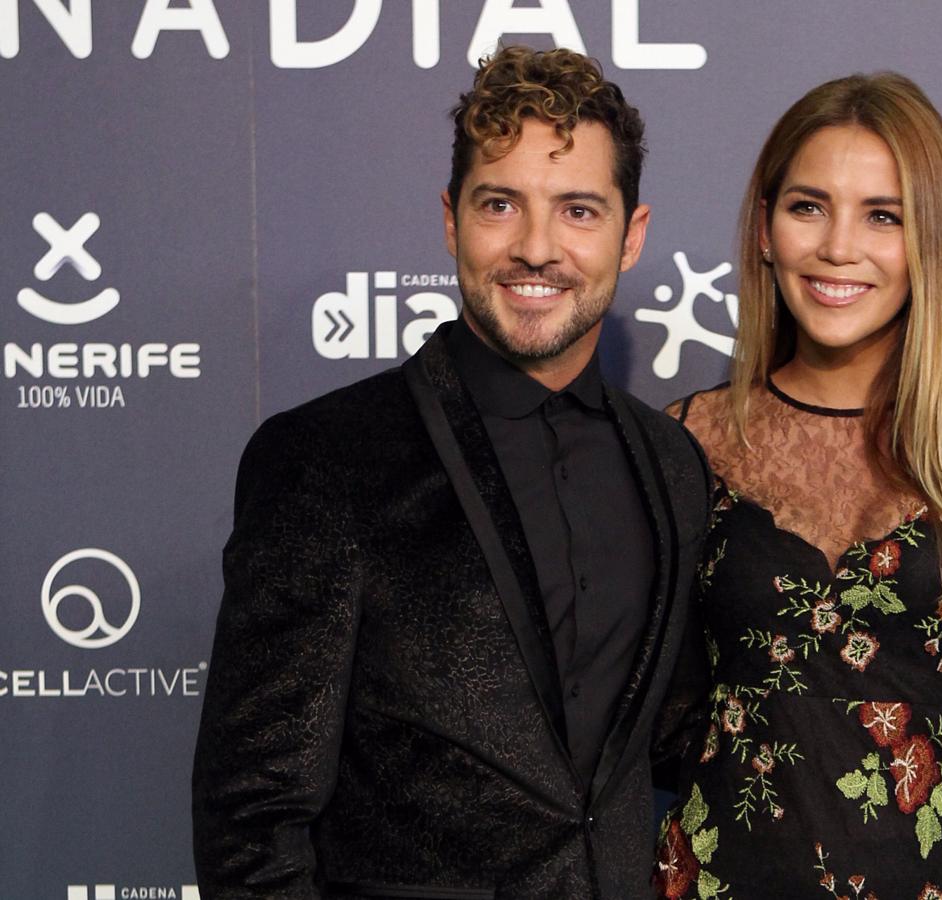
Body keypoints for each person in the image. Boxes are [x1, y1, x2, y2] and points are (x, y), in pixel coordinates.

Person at [191, 47, 716, 899]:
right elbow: (252, 821)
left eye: (578, 210)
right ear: (451, 220)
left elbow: (679, 736)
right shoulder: (326, 459)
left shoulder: (671, 464)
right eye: (500, 205)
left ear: (633, 236)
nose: (536, 248)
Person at [653, 73, 942, 899]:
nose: (838, 247)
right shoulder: (686, 439)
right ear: (765, 231)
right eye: (808, 207)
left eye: (884, 216)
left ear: (932, 241)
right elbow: (641, 718)